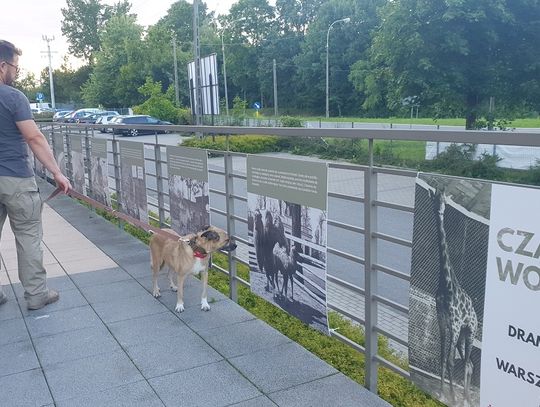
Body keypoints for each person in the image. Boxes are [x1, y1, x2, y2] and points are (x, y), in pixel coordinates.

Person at [0, 40, 71, 310]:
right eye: (16, 67)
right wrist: (57, 173)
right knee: (28, 235)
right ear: (3, 65)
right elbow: (34, 137)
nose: (16, 73)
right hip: (15, 177)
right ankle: (36, 295)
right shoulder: (12, 97)